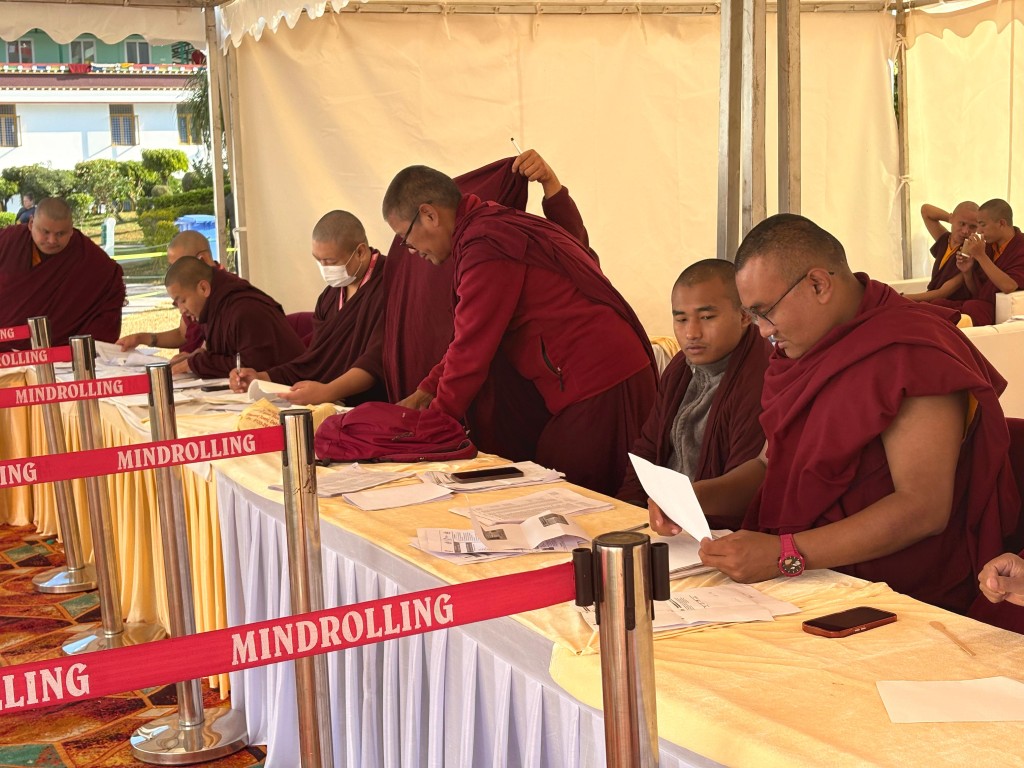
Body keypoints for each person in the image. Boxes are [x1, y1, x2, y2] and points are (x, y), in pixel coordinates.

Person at [650, 213, 1017, 614]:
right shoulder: (798, 351)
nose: (762, 330)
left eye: (765, 311)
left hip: (893, 593)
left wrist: (785, 554)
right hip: (801, 569)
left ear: (818, 284)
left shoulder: (909, 349)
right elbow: (768, 465)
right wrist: (695, 496)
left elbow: (922, 508)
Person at [382, 165, 657, 495]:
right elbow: (466, 337)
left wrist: (433, 430)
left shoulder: (487, 245)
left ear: (429, 215)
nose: (412, 251)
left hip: (600, 379)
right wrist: (425, 392)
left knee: (567, 491)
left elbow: (471, 351)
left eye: (405, 239)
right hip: (599, 375)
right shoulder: (489, 229)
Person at [617, 259, 770, 516]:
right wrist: (628, 509)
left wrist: (681, 509)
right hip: (662, 516)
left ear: (745, 315)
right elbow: (648, 448)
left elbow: (745, 487)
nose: (691, 333)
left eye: (707, 317)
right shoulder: (681, 367)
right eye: (681, 319)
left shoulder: (761, 376)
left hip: (710, 525)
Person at [229, 210, 388, 407]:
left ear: (360, 252)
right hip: (332, 404)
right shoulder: (329, 296)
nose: (324, 268)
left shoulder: (391, 284)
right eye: (318, 260)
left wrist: (328, 392)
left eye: (330, 262)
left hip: (372, 404)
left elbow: (377, 360)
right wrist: (262, 378)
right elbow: (317, 360)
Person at [0, 197, 125, 351]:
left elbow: (110, 294)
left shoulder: (88, 257)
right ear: (31, 224)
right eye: (45, 232)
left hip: (61, 358)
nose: (52, 240)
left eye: (60, 233)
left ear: (71, 230)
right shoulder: (8, 242)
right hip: (5, 354)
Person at [164, 256, 305, 378]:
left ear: (203, 288)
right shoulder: (213, 306)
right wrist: (197, 355)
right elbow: (225, 352)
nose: (182, 310)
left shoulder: (244, 309)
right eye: (177, 304)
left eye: (183, 300)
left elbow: (252, 366)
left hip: (291, 388)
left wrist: (197, 363)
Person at [116, 230, 220, 355]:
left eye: (179, 266)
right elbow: (182, 334)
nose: (173, 273)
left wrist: (193, 361)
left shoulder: (227, 294)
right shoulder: (189, 289)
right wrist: (141, 338)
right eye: (171, 267)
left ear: (203, 260)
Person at [926, 199, 1024, 325]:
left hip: (988, 309)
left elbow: (1009, 286)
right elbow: (977, 292)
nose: (978, 231)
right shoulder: (989, 246)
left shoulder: (1020, 246)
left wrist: (981, 256)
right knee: (937, 304)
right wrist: (967, 271)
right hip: (976, 304)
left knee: (972, 307)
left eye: (982, 225)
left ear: (1001, 223)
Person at [903, 201, 977, 303]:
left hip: (948, 303)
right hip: (931, 299)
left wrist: (903, 297)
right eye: (962, 223)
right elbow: (926, 210)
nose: (965, 231)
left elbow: (942, 293)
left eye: (972, 226)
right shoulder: (945, 238)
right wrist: (951, 218)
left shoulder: (968, 255)